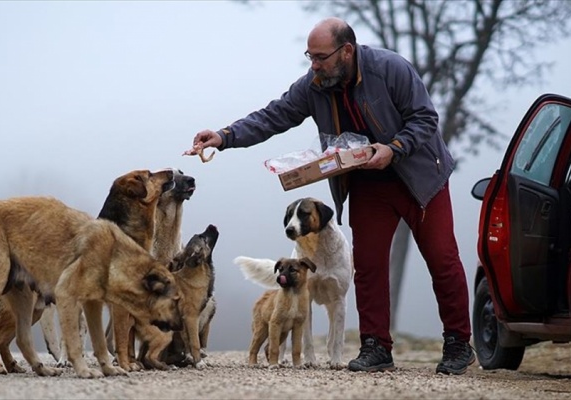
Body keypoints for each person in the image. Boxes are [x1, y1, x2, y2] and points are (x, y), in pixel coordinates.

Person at [187, 17, 475, 375]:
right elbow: (274, 115)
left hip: (420, 176)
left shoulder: (392, 69)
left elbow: (425, 118)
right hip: (368, 182)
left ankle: (458, 344)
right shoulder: (314, 84)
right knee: (368, 266)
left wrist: (394, 148)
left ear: (347, 51)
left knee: (442, 260)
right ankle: (375, 347)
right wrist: (225, 136)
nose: (314, 66)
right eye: (310, 57)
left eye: (320, 57)